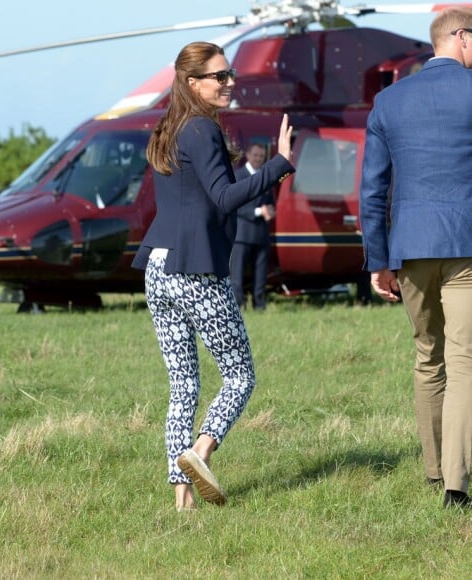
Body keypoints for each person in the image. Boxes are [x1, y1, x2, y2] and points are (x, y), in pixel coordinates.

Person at [131, 41, 295, 511]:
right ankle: (199, 454)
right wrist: (280, 165)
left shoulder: (170, 127)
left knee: (183, 383)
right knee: (240, 377)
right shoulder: (201, 129)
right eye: (218, 77)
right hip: (195, 269)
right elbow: (225, 198)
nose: (228, 83)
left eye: (229, 74)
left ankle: (181, 503)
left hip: (158, 268)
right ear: (192, 83)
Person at [359, 6, 472, 509]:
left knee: (429, 359)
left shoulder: (387, 101)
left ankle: (433, 470)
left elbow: (372, 189)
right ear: (462, 39)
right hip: (466, 243)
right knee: (465, 360)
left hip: (410, 246)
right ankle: (456, 484)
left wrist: (378, 259)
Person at [230, 143, 276, 310]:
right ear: (248, 155)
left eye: (261, 157)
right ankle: (239, 306)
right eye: (256, 155)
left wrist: (270, 210)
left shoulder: (264, 176)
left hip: (261, 233)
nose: (258, 159)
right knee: (237, 275)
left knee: (261, 274)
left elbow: (270, 202)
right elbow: (235, 205)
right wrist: (258, 211)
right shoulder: (238, 176)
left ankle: (260, 305)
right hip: (242, 234)